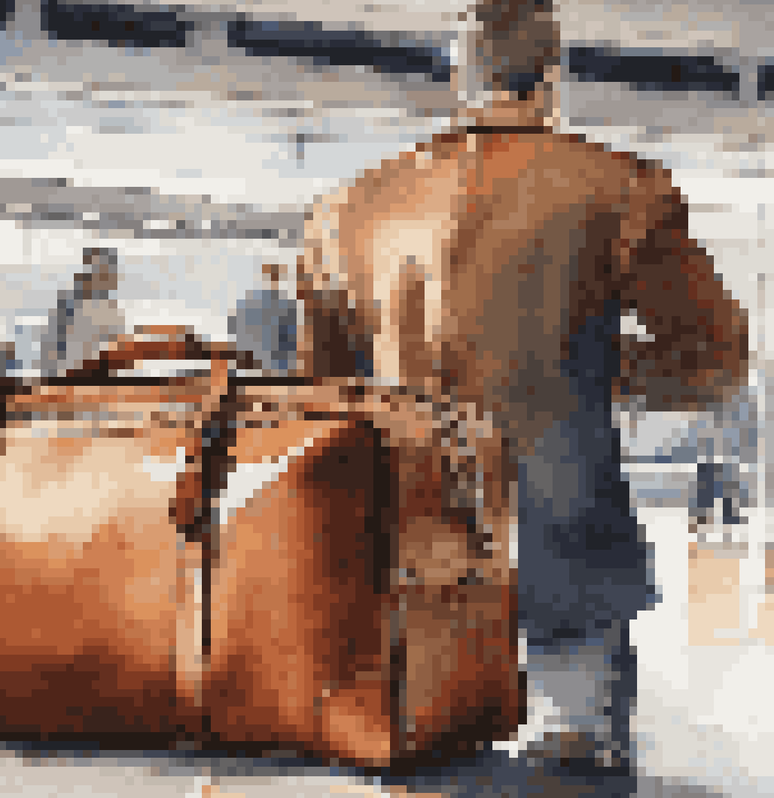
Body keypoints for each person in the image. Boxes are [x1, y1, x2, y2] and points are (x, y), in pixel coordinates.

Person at [294, 0, 749, 771]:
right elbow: (717, 355)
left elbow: (326, 403)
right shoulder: (621, 191)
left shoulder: (349, 213)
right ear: (551, 78)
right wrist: (613, 372)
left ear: (456, 77)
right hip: (567, 575)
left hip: (412, 573)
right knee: (572, 778)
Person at [42, 247, 124, 376]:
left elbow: (114, 346)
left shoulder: (112, 309)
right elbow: (53, 344)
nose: (106, 277)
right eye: (99, 271)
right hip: (71, 372)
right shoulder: (68, 304)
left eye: (108, 272)